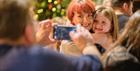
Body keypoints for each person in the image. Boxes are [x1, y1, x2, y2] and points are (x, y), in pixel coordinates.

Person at [0, 0, 103, 71]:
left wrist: (36, 42)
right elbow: (94, 66)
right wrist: (88, 44)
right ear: (27, 31)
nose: (86, 20)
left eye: (89, 15)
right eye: (33, 22)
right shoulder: (39, 57)